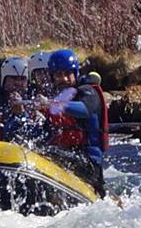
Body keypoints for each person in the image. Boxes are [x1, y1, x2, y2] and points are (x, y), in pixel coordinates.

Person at [38, 48, 109, 197]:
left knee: (48, 153)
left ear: (75, 73)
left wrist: (53, 104)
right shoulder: (58, 98)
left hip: (89, 164)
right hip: (68, 156)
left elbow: (85, 109)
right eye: (58, 75)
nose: (63, 79)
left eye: (67, 74)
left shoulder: (88, 91)